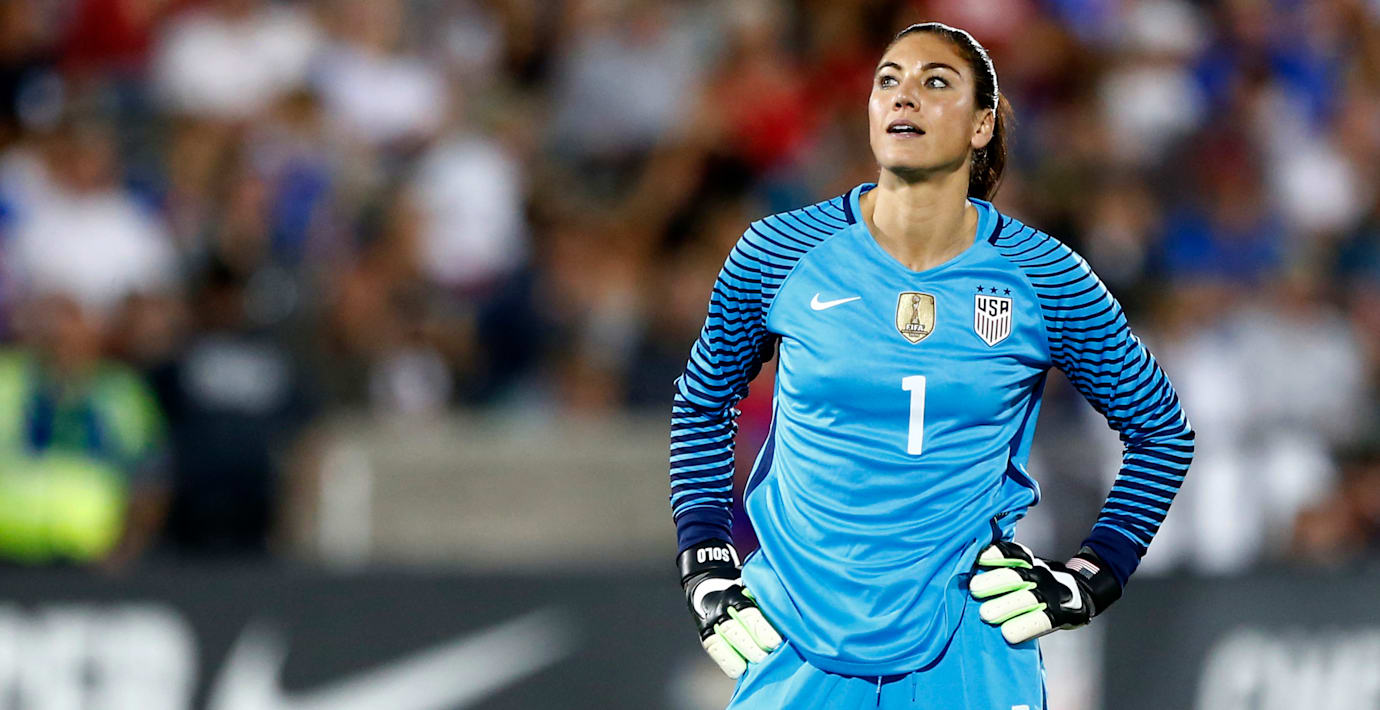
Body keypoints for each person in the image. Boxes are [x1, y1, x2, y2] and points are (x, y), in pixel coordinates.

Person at [669, 22, 1195, 708]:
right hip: (795, 637)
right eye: (888, 81)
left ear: (982, 124)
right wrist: (704, 556)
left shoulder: (1044, 275)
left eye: (935, 82)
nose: (904, 96)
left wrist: (1095, 574)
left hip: (969, 644)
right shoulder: (780, 250)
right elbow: (703, 402)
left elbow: (1162, 432)